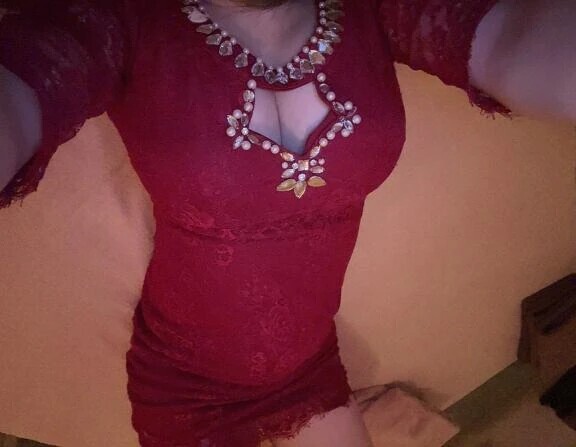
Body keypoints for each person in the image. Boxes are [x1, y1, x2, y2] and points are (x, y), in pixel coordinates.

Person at [0, 0, 574, 446]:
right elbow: (29, 79)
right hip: (185, 380)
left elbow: (510, 37)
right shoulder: (113, 20)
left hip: (308, 365)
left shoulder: (377, 8)